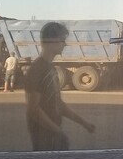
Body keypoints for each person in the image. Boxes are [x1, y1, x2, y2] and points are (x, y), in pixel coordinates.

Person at [24, 21, 95, 151]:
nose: (65, 44)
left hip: (52, 135)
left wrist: (84, 123)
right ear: (51, 41)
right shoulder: (37, 70)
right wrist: (57, 132)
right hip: (43, 137)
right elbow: (33, 110)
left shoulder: (50, 69)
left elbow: (59, 105)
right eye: (62, 40)